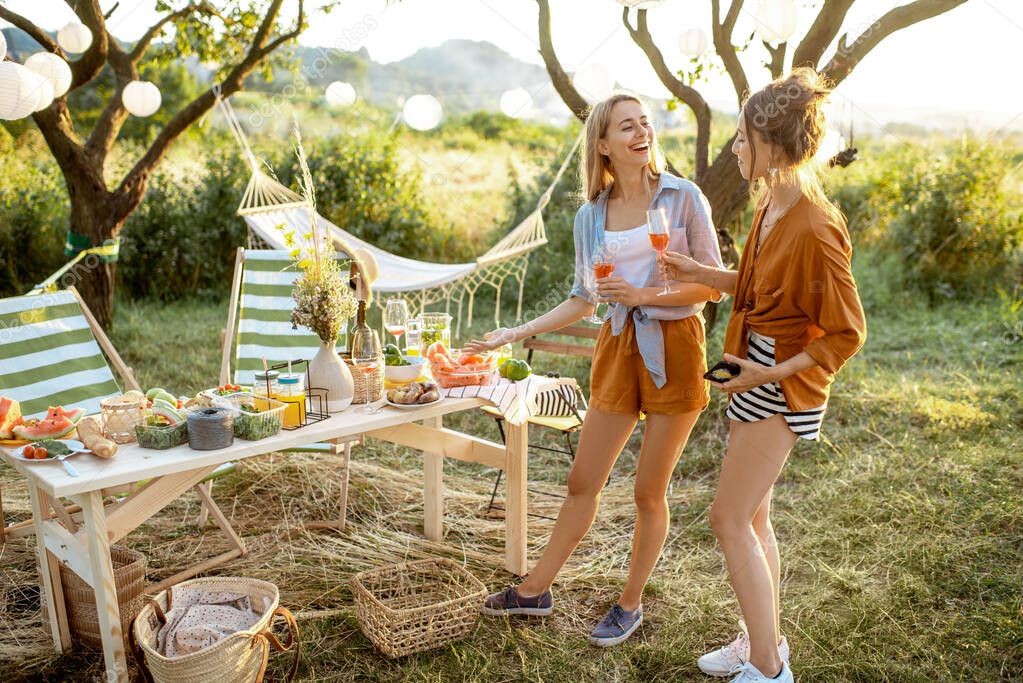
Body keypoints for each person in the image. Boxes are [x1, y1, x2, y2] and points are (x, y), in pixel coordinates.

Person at [465, 92, 724, 647]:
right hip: (617, 345)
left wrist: (644, 294)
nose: (642, 132)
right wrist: (517, 332)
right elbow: (584, 298)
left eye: (645, 123)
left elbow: (711, 286)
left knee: (648, 492)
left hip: (675, 346)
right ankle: (535, 591)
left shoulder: (683, 197)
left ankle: (629, 605)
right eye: (627, 126)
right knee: (582, 481)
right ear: (603, 144)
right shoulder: (590, 216)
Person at [659, 68, 867, 682]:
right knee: (752, 519)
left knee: (727, 518)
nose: (735, 148)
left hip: (781, 385)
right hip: (754, 372)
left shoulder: (816, 226)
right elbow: (756, 288)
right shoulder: (771, 203)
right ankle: (760, 640)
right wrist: (699, 270)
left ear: (773, 145)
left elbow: (847, 332)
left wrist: (768, 373)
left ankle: (770, 669)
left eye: (743, 138)